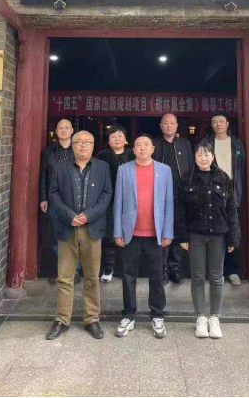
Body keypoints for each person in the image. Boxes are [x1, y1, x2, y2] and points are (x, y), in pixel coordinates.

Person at [46, 131, 112, 341]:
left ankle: (91, 319)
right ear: (73, 146)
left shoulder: (102, 167)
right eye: (79, 142)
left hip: (92, 228)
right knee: (65, 277)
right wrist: (70, 216)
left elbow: (107, 194)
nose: (83, 145)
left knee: (92, 277)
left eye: (87, 142)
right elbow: (53, 193)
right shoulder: (60, 167)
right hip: (68, 227)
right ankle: (62, 319)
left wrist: (89, 215)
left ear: (93, 145)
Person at [113, 134, 174, 339]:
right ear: (133, 149)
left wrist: (168, 232)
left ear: (153, 148)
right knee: (128, 276)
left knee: (157, 277)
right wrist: (117, 231)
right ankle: (129, 315)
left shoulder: (164, 170)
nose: (142, 148)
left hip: (156, 233)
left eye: (146, 144)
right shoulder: (124, 170)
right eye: (138, 144)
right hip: (131, 233)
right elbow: (118, 203)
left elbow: (169, 203)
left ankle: (157, 315)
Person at [178, 141, 240, 339]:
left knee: (216, 277)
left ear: (213, 157)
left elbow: (231, 209)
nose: (203, 158)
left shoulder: (223, 178)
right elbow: (180, 210)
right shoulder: (187, 178)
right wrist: (182, 235)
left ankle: (215, 318)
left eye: (207, 155)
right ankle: (200, 317)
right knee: (197, 277)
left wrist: (233, 237)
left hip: (218, 234)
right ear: (194, 157)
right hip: (195, 234)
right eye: (199, 155)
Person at [154, 113, 194, 285]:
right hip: (160, 194)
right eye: (166, 123)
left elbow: (191, 167)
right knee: (162, 231)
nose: (169, 126)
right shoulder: (155, 144)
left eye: (172, 123)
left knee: (179, 229)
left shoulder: (185, 144)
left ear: (177, 126)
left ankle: (175, 268)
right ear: (161, 126)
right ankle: (162, 268)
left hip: (181, 193)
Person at [207, 112, 246, 286]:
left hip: (232, 193)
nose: (218, 124)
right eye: (215, 122)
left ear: (227, 124)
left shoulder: (236, 143)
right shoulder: (207, 143)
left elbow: (242, 169)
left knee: (232, 231)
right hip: (213, 192)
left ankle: (232, 271)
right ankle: (217, 272)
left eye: (221, 121)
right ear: (211, 125)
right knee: (214, 233)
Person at [96, 125, 135, 283]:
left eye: (120, 136)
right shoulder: (102, 156)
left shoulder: (133, 154)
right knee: (110, 235)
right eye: (113, 136)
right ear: (108, 141)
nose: (117, 139)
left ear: (126, 140)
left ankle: (125, 269)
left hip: (130, 200)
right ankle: (108, 267)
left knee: (128, 234)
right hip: (109, 200)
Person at [39, 119, 74, 282]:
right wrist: (43, 198)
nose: (64, 130)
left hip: (74, 199)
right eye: (60, 128)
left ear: (72, 131)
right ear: (56, 131)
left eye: (67, 128)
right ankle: (58, 270)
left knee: (75, 235)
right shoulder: (49, 151)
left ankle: (74, 271)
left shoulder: (78, 149)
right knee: (56, 235)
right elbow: (43, 176)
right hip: (54, 198)